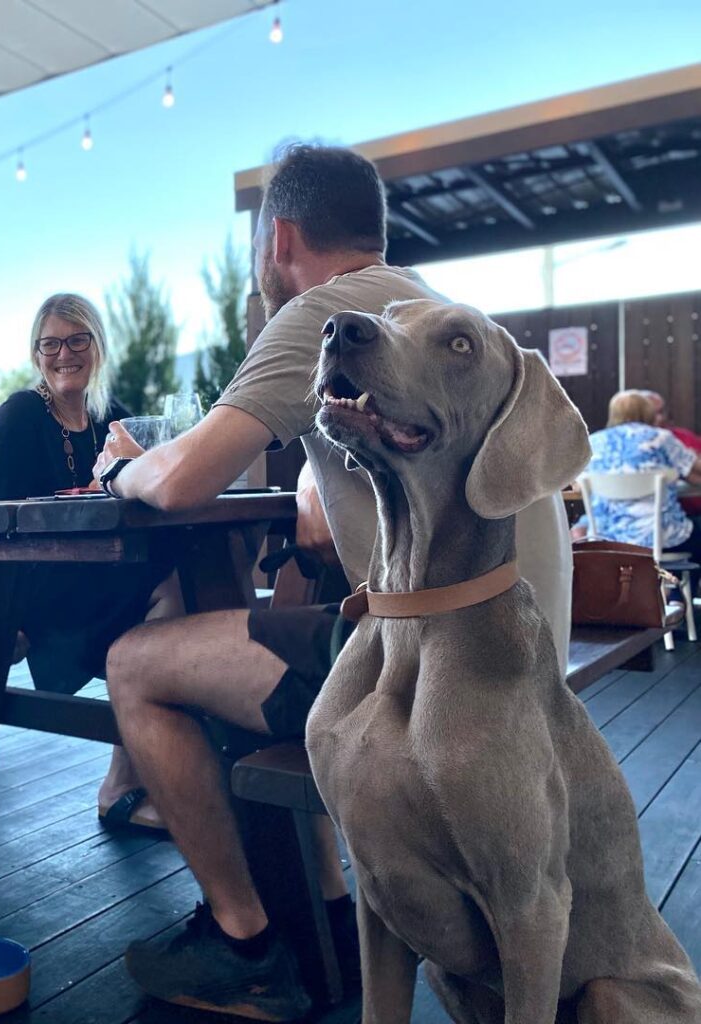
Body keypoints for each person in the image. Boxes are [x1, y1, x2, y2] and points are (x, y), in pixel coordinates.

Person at [91, 144, 576, 1020]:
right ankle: (328, 911)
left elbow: (181, 480)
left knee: (134, 664)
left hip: (449, 671)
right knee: (284, 635)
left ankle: (245, 946)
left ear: (278, 241)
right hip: (524, 657)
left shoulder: (324, 310)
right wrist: (321, 474)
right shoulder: (421, 303)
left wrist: (119, 468)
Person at [0, 293, 179, 834]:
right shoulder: (20, 415)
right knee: (172, 595)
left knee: (182, 586)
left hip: (101, 574)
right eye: (50, 343)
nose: (63, 353)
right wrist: (2, 618)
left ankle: (141, 770)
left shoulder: (112, 419)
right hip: (38, 590)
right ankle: (129, 774)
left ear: (97, 345)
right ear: (36, 353)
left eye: (76, 340)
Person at [580, 389, 701, 555]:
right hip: (664, 538)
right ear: (648, 411)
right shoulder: (662, 438)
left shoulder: (594, 442)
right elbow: (695, 470)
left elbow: (577, 481)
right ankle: (689, 580)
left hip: (606, 540)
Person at [639, 389, 701, 515]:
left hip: (689, 510)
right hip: (658, 517)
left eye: (661, 412)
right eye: (653, 413)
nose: (660, 418)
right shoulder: (663, 439)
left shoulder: (683, 436)